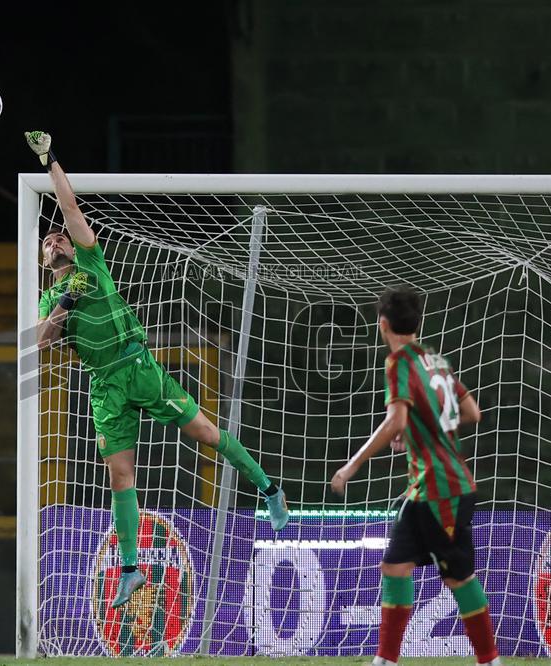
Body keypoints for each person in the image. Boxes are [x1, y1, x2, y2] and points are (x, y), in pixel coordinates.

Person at [26, 131, 290, 609]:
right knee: (121, 477)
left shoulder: (91, 259)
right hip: (104, 386)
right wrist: (67, 299)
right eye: (48, 242)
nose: (55, 238)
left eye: (58, 235)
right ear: (45, 261)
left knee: (207, 433)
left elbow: (69, 208)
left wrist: (50, 161)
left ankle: (269, 489)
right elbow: (41, 342)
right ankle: (130, 570)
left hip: (139, 366)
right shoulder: (50, 299)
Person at [330, 286, 500, 666]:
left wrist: (353, 465)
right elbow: (472, 412)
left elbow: (397, 419)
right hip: (426, 487)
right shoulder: (436, 361)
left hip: (442, 488)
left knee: (459, 578)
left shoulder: (399, 363)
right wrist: (418, 433)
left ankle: (490, 660)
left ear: (383, 324)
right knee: (394, 565)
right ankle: (386, 660)